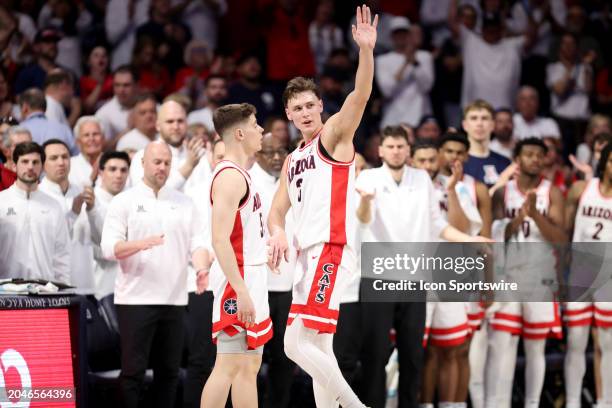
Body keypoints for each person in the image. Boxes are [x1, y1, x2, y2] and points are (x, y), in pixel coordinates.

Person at [266, 6, 377, 407]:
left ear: (320, 108)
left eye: (311, 105)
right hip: (306, 256)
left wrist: (365, 52)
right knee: (319, 348)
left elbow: (360, 95)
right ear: (289, 115)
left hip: (330, 247)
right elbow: (276, 210)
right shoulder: (294, 158)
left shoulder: (333, 136)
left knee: (294, 344)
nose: (306, 112)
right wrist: (277, 231)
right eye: (297, 108)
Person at [357, 131, 491, 407]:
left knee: (413, 356)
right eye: (390, 146)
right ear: (380, 150)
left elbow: (436, 223)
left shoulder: (421, 180)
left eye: (400, 146)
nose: (395, 151)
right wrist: (366, 202)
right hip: (378, 275)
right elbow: (362, 221)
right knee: (376, 354)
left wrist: (469, 239)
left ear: (407, 150)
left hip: (416, 276)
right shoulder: (367, 178)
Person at [101, 141, 209, 408]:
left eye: (167, 163)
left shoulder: (184, 203)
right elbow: (108, 248)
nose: (162, 167)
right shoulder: (124, 201)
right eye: (157, 162)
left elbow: (198, 243)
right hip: (135, 300)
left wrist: (202, 267)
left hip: (174, 300)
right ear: (143, 163)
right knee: (133, 373)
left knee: (169, 372)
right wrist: (140, 243)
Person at [201, 103, 271, 407]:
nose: (261, 131)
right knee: (227, 366)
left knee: (249, 367)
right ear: (240, 133)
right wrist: (241, 290)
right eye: (256, 125)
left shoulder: (243, 173)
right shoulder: (230, 176)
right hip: (237, 280)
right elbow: (219, 240)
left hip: (252, 274)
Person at [488, 138, 567, 408]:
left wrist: (536, 215)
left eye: (539, 155)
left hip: (540, 276)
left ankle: (532, 404)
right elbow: (496, 236)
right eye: (529, 154)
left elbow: (560, 240)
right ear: (518, 160)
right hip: (508, 276)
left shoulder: (552, 193)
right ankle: (500, 404)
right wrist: (519, 219)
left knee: (535, 347)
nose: (534, 159)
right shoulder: (502, 193)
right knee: (503, 346)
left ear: (545, 160)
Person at [563, 143, 612, 408]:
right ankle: (572, 401)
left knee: (607, 344)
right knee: (576, 342)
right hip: (580, 273)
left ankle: (606, 401)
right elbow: (564, 232)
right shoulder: (582, 189)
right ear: (603, 163)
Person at [248, 132, 295, 407]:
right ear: (257, 154)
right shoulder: (248, 182)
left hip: (288, 284)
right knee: (251, 358)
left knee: (284, 356)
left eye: (281, 151)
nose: (277, 158)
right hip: (257, 285)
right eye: (270, 152)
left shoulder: (292, 181)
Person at [0, 141, 70, 282]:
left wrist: (63, 289)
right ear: (14, 165)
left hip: (46, 291)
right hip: (5, 291)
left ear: (42, 167)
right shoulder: (1, 201)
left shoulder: (54, 206)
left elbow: (62, 253)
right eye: (25, 161)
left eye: (35, 162)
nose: (30, 167)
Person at [129, 100, 206, 192]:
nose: (176, 126)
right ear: (158, 125)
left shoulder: (200, 155)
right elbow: (146, 195)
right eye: (170, 121)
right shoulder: (142, 156)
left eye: (180, 121)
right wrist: (188, 166)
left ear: (187, 124)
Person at [87, 151, 130, 300]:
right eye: (112, 169)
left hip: (127, 287)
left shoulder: (131, 202)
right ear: (100, 172)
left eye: (123, 170)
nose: (118, 175)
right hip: (98, 285)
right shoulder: (89, 201)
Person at [461, 100, 512, 190]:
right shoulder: (458, 162)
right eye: (474, 118)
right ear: (465, 125)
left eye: (484, 118)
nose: (479, 124)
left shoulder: (505, 162)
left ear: (492, 125)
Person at [19, 88, 78, 155]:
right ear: (45, 107)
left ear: (24, 108)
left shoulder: (19, 130)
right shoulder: (63, 128)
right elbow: (75, 156)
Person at [69, 116, 104, 188]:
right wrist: (92, 179)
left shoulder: (114, 162)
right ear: (78, 141)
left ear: (103, 138)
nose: (91, 139)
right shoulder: (69, 165)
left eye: (95, 134)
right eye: (86, 135)